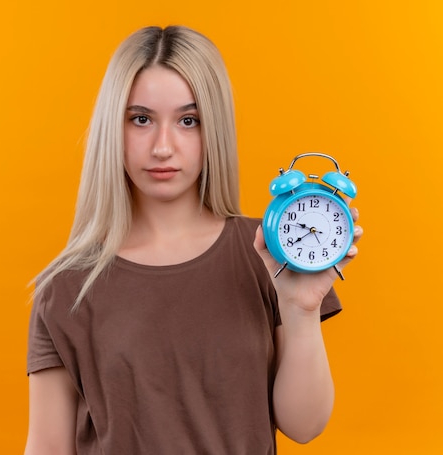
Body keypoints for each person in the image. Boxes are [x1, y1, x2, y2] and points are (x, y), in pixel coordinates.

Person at [25, 25, 362, 455]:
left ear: (213, 130)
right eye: (141, 119)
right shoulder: (66, 287)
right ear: (114, 127)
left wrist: (301, 309)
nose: (163, 147)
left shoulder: (268, 251)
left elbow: (304, 426)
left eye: (189, 121)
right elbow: (48, 447)